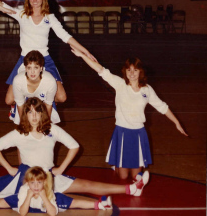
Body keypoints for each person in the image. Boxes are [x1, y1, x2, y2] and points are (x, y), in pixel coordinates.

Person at [0, 98, 149, 198]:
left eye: (38, 112)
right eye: (30, 112)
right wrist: (9, 168)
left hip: (48, 175)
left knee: (86, 185)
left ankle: (131, 189)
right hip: (23, 177)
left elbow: (74, 146)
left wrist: (60, 168)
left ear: (43, 114)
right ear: (25, 114)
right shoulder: (20, 132)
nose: (35, 116)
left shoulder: (52, 130)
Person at [71, 47, 188, 180]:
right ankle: (116, 167)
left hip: (138, 134)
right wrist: (82, 56)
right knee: (122, 177)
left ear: (141, 72)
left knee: (136, 176)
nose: (132, 73)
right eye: (129, 70)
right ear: (125, 72)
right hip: (122, 132)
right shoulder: (120, 84)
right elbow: (100, 69)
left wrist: (177, 123)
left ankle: (131, 174)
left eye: (135, 70)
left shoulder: (147, 90)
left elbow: (162, 107)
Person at [0, 0, 95, 106]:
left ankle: (39, 104)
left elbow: (66, 36)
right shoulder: (22, 14)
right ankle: (25, 106)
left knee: (61, 97)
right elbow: (1, 5)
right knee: (9, 100)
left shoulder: (50, 18)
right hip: (25, 60)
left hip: (45, 60)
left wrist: (86, 52)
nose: (35, 0)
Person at [0, 166, 112, 216]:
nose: (35, 186)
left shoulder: (47, 190)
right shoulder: (24, 190)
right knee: (1, 202)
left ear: (44, 182)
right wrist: (28, 197)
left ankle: (100, 205)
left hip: (47, 203)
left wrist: (45, 197)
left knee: (73, 203)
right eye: (32, 183)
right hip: (26, 202)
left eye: (39, 182)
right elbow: (22, 213)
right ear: (27, 183)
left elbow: (52, 214)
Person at [10, 50, 60, 124]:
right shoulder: (18, 80)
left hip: (43, 99)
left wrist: (46, 124)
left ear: (41, 68)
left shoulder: (50, 81)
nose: (32, 72)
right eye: (29, 68)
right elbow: (20, 105)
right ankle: (12, 107)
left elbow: (48, 105)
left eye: (36, 68)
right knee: (9, 101)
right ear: (25, 69)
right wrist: (24, 124)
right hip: (25, 96)